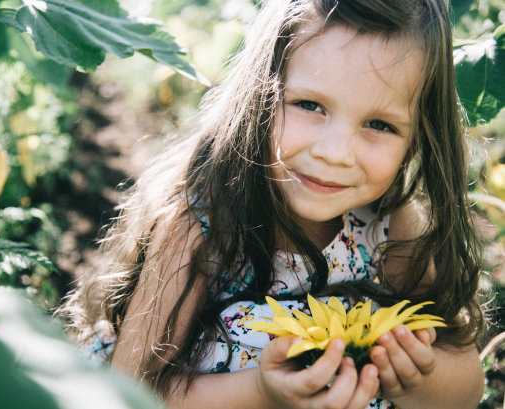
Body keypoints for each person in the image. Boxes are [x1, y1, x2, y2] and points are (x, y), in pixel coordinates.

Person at [61, 0, 485, 408]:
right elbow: (130, 393)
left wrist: (417, 378)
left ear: (419, 139)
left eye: (379, 124)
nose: (336, 153)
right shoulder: (198, 222)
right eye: (309, 105)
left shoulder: (390, 226)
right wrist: (263, 394)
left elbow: (467, 389)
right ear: (260, 95)